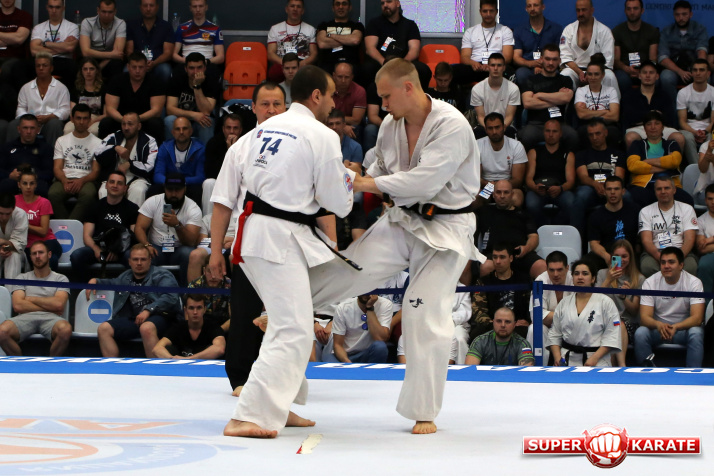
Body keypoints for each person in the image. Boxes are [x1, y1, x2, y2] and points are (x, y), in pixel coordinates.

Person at [305, 59, 481, 435]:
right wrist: (354, 176)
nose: (382, 104)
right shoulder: (390, 124)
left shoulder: (451, 125)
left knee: (422, 310)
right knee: (346, 268)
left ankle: (424, 411)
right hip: (403, 220)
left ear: (408, 88)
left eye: (386, 96)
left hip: (446, 230)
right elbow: (383, 172)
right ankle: (290, 306)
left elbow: (422, 182)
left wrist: (362, 183)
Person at [213, 65, 353, 437]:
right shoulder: (322, 135)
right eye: (330, 95)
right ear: (317, 95)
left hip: (257, 234)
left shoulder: (260, 131)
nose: (334, 103)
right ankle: (247, 415)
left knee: (288, 324)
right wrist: (348, 179)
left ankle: (278, 404)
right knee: (293, 328)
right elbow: (337, 203)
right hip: (277, 238)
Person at [209, 82, 287, 397]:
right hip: (250, 242)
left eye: (277, 104)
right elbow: (222, 203)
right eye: (265, 104)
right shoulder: (241, 148)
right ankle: (241, 377)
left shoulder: (302, 145)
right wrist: (215, 251)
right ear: (253, 108)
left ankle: (284, 378)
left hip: (289, 241)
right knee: (245, 313)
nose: (271, 110)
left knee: (287, 314)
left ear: (286, 107)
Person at [91, 243, 182, 358]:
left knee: (146, 328)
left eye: (143, 259)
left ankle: (155, 368)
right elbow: (111, 282)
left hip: (163, 317)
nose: (139, 263)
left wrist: (148, 310)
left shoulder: (162, 275)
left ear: (150, 260)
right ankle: (113, 366)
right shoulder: (125, 276)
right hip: (136, 320)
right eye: (135, 259)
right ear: (129, 261)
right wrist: (96, 281)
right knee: (104, 329)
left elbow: (171, 296)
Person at [634, 246, 705, 367]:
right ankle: (648, 373)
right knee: (640, 333)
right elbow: (644, 318)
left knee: (696, 333)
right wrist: (658, 325)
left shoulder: (694, 282)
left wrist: (676, 327)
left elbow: (697, 318)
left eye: (671, 262)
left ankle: (692, 375)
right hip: (659, 330)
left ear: (681, 265)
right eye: (663, 262)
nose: (666, 266)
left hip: (683, 330)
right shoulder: (650, 282)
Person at [0, 241, 71, 356]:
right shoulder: (22, 278)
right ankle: (20, 364)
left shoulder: (61, 279)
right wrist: (50, 306)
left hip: (51, 318)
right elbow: (18, 306)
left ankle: (51, 364)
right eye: (34, 253)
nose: (37, 256)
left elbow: (58, 305)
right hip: (25, 317)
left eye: (41, 252)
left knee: (65, 330)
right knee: (2, 331)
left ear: (49, 254)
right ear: (31, 257)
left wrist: (30, 299)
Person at [549, 259, 622, 367]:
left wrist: (594, 358)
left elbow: (612, 335)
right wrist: (557, 357)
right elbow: (555, 333)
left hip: (597, 360)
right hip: (567, 360)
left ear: (593, 278)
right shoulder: (564, 303)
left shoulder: (606, 303)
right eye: (576, 273)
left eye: (585, 273)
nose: (580, 277)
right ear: (572, 278)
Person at [135, 173, 202, 286]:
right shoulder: (153, 201)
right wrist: (147, 245)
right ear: (164, 188)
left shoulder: (193, 208)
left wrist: (177, 225)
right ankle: (147, 293)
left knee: (188, 253)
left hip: (179, 249)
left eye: (178, 190)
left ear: (184, 189)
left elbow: (191, 241)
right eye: (170, 190)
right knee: (143, 254)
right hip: (156, 248)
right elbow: (139, 228)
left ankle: (187, 293)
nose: (174, 194)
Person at [69, 171, 139, 276]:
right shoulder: (94, 206)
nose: (115, 185)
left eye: (119, 183)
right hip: (100, 252)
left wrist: (118, 251)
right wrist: (96, 250)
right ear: (106, 185)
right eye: (112, 182)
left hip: (122, 253)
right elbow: (87, 236)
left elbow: (135, 236)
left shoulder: (132, 208)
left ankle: (128, 285)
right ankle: (88, 284)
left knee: (134, 257)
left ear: (125, 188)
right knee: (77, 256)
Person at [476, 180, 545, 280]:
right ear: (493, 194)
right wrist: (489, 187)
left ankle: (538, 292)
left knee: (541, 266)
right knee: (486, 266)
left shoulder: (523, 214)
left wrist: (526, 248)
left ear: (512, 194)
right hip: (495, 255)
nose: (502, 196)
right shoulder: (484, 211)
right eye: (498, 192)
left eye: (506, 192)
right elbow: (475, 202)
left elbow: (533, 236)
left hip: (520, 254)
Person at [518, 43, 578, 151]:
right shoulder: (530, 80)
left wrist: (539, 95)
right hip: (536, 124)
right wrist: (557, 99)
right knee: (525, 137)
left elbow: (566, 98)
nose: (551, 63)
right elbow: (527, 103)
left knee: (573, 136)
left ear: (559, 61)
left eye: (554, 59)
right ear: (541, 59)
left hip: (559, 124)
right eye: (547, 59)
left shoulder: (565, 80)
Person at [627, 110, 692, 208]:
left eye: (657, 123)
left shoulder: (672, 144)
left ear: (662, 127)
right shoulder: (637, 145)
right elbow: (633, 166)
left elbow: (674, 161)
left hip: (669, 185)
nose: (653, 127)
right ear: (644, 128)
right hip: (644, 185)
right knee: (635, 199)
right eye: (649, 124)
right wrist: (666, 166)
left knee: (687, 200)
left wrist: (647, 162)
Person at [48, 104, 102, 221]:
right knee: (53, 194)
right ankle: (68, 225)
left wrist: (81, 181)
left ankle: (69, 226)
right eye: (78, 118)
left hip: (86, 179)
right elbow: (57, 167)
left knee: (88, 195)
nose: (81, 122)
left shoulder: (98, 142)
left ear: (90, 120)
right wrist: (64, 180)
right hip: (65, 178)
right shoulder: (61, 140)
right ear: (72, 119)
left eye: (85, 118)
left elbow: (96, 171)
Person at [361, 0, 431, 89]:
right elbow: (370, 48)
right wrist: (385, 64)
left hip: (404, 62)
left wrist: (401, 64)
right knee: (366, 69)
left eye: (389, 2)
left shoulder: (410, 25)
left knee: (423, 70)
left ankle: (419, 97)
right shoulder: (374, 23)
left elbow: (414, 50)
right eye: (382, 3)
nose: (385, 5)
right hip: (381, 63)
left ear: (398, 3)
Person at [470, 243, 532, 340]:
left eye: (502, 257)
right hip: (491, 326)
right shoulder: (483, 282)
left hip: (517, 326)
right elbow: (478, 309)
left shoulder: (524, 280)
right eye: (495, 257)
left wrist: (528, 321)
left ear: (511, 258)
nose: (498, 261)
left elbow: (532, 305)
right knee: (476, 333)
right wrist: (494, 324)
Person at [638, 176, 698, 277]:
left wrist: (677, 258)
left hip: (680, 250)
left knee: (690, 267)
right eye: (659, 189)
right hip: (655, 252)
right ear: (655, 192)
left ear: (674, 190)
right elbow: (646, 240)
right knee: (647, 266)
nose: (663, 191)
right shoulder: (645, 211)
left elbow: (690, 239)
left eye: (667, 188)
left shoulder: (687, 209)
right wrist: (661, 258)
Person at [596, 239, 644, 367]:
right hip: (604, 321)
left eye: (624, 256)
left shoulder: (638, 278)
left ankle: (621, 366)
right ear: (611, 257)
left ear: (630, 257)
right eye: (617, 256)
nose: (621, 260)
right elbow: (594, 302)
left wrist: (624, 298)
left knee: (618, 325)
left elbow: (634, 311)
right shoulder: (602, 274)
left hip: (628, 323)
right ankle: (619, 368)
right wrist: (608, 280)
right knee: (613, 326)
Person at [94, 111, 158, 206]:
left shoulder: (149, 141)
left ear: (139, 126)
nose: (126, 127)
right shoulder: (113, 137)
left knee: (138, 190)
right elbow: (98, 153)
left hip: (137, 178)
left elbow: (149, 167)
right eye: (123, 124)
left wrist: (130, 164)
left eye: (130, 124)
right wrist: (115, 148)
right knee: (104, 190)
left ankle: (134, 216)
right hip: (115, 176)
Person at [8, 53, 70, 149]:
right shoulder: (26, 88)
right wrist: (30, 120)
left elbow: (65, 110)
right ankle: (14, 154)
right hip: (29, 122)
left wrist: (50, 117)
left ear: (51, 68)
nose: (41, 68)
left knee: (55, 123)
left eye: (44, 65)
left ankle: (52, 155)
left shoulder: (61, 88)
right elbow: (20, 108)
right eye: (38, 66)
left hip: (50, 123)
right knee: (14, 124)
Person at [99, 52, 165, 142]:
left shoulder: (156, 82)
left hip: (144, 120)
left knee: (156, 124)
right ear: (128, 67)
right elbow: (110, 108)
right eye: (134, 67)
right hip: (121, 119)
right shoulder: (117, 80)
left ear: (146, 67)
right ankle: (104, 149)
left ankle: (157, 151)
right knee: (106, 123)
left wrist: (136, 120)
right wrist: (124, 120)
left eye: (141, 67)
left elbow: (156, 110)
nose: (137, 71)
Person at [559, 0, 619, 96]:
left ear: (592, 10)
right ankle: (563, 105)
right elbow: (565, 57)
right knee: (565, 75)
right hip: (575, 70)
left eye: (584, 10)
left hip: (597, 70)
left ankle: (613, 103)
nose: (580, 13)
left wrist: (591, 74)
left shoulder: (604, 31)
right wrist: (580, 72)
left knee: (609, 76)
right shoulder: (568, 30)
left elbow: (607, 61)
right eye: (578, 10)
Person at [621, 61, 683, 152]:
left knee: (679, 138)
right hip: (638, 129)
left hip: (661, 128)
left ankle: (673, 162)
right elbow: (629, 117)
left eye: (651, 73)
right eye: (644, 72)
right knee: (630, 138)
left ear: (657, 76)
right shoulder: (629, 95)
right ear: (639, 75)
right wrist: (654, 114)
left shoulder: (664, 95)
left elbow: (670, 117)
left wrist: (644, 117)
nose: (647, 75)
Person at [524, 118, 576, 227]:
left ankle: (556, 226)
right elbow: (528, 178)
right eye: (548, 131)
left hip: (560, 190)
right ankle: (543, 228)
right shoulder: (534, 152)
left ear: (560, 134)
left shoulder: (568, 154)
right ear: (543, 132)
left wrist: (560, 188)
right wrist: (535, 187)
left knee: (571, 202)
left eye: (554, 131)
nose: (550, 134)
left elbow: (571, 181)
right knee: (531, 204)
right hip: (538, 190)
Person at [574, 119, 627, 219]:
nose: (594, 137)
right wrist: (595, 184)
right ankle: (576, 229)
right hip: (590, 187)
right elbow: (583, 177)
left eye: (598, 133)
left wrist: (607, 187)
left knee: (627, 196)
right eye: (591, 135)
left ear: (605, 133)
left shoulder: (618, 154)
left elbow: (619, 176)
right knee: (581, 195)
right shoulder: (582, 155)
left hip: (612, 186)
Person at [658, 0, 709, 104]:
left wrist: (697, 70)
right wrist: (680, 71)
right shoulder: (666, 31)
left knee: (705, 76)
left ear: (691, 14)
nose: (681, 18)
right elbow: (663, 58)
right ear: (674, 15)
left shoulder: (700, 29)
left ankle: (700, 109)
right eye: (677, 15)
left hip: (694, 67)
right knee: (666, 77)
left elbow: (702, 51)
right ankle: (673, 110)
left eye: (684, 14)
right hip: (674, 69)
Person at [454, 0, 514, 85]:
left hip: (496, 66)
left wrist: (491, 65)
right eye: (485, 11)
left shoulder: (505, 31)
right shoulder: (470, 32)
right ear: (480, 12)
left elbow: (507, 57)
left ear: (496, 12)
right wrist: (473, 63)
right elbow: (464, 57)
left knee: (510, 72)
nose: (488, 14)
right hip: (475, 66)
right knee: (454, 71)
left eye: (491, 11)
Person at [149, 117, 206, 206]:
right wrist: (171, 182)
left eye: (185, 128)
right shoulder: (164, 147)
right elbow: (157, 175)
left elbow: (200, 177)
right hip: (168, 183)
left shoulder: (200, 149)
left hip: (188, 185)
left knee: (197, 190)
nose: (181, 132)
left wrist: (180, 182)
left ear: (191, 131)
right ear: (173, 132)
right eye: (177, 129)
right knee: (153, 190)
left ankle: (195, 215)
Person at [586, 176, 640, 270]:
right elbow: (594, 243)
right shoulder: (596, 215)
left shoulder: (635, 210)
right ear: (604, 191)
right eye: (609, 189)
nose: (612, 192)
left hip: (629, 254)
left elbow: (640, 239)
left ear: (623, 191)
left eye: (616, 189)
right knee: (586, 263)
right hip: (607, 254)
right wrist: (606, 256)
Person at [165, 52, 218, 145]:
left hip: (201, 120)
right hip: (182, 118)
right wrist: (193, 115)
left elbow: (206, 111)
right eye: (191, 68)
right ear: (186, 69)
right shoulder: (177, 79)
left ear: (205, 68)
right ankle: (171, 152)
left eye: (199, 67)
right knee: (169, 120)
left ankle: (205, 153)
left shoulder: (211, 81)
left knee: (207, 121)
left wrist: (197, 86)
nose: (195, 72)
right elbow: (170, 109)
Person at [14, 169, 62, 271]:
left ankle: (52, 281)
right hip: (25, 244)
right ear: (19, 185)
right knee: (44, 258)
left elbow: (43, 231)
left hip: (47, 241)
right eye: (25, 183)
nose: (28, 187)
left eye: (31, 183)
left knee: (50, 259)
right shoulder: (13, 201)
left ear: (36, 185)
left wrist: (24, 224)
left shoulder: (44, 202)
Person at [152, 294, 226, 359]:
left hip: (206, 368)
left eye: (199, 308)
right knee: (168, 349)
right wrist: (172, 359)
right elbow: (157, 348)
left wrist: (189, 359)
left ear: (204, 309)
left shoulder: (213, 326)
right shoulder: (178, 327)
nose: (195, 312)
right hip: (181, 368)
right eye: (191, 308)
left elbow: (219, 349)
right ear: (185, 310)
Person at [324, 294, 392, 363]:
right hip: (345, 355)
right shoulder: (343, 307)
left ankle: (373, 370)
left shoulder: (385, 304)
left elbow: (381, 338)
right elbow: (338, 345)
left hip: (368, 353)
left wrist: (370, 308)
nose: (366, 293)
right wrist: (347, 363)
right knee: (330, 364)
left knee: (380, 347)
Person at [477, 113, 527, 207]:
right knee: (477, 198)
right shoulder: (477, 146)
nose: (494, 132)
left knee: (516, 198)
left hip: (508, 188)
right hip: (488, 187)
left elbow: (518, 180)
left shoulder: (516, 146)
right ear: (486, 130)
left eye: (497, 127)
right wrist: (490, 186)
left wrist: (500, 186)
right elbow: (476, 177)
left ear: (504, 127)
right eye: (490, 128)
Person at [532, 250, 573, 364]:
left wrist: (552, 317)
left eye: (559, 270)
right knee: (533, 329)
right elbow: (536, 315)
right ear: (546, 269)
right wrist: (566, 316)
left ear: (567, 268)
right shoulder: (540, 281)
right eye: (551, 270)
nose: (555, 274)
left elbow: (578, 314)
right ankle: (537, 367)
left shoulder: (574, 279)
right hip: (549, 327)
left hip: (571, 327)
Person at [512, 0, 563, 89]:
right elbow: (516, 57)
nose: (532, 8)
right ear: (526, 9)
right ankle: (528, 96)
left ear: (543, 7)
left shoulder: (555, 29)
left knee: (556, 75)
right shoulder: (519, 31)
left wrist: (544, 66)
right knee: (521, 74)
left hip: (549, 65)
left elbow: (558, 55)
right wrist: (532, 64)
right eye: (529, 6)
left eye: (535, 5)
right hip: (528, 67)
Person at [612, 0, 659, 92]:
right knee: (622, 80)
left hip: (645, 69)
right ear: (625, 11)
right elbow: (616, 60)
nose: (632, 12)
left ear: (642, 10)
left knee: (655, 80)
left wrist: (643, 71)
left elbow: (653, 58)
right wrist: (627, 69)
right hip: (624, 70)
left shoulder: (652, 31)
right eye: (629, 9)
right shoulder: (617, 31)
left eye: (635, 8)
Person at [0, 115, 53, 197]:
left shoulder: (46, 148)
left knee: (41, 188)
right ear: (19, 129)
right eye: (25, 128)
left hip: (36, 180)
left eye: (32, 128)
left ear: (38, 130)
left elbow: (50, 172)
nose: (28, 131)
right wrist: (9, 175)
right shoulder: (7, 147)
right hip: (13, 180)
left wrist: (34, 177)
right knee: (5, 186)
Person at [30, 0, 79, 88]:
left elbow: (70, 47)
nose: (54, 10)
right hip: (42, 60)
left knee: (73, 67)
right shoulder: (38, 28)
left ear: (63, 8)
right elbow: (34, 50)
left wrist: (45, 44)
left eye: (57, 7)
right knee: (20, 67)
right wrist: (62, 47)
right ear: (47, 8)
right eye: (51, 7)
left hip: (64, 61)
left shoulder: (72, 27)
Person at [470, 53, 521, 139]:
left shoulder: (513, 89)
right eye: (493, 65)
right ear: (488, 67)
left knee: (510, 133)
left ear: (504, 68)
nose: (496, 68)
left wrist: (500, 128)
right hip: (485, 126)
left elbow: (509, 116)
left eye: (499, 65)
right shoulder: (477, 89)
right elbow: (480, 116)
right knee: (476, 133)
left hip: (505, 126)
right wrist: (490, 129)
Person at [574, 60, 621, 149]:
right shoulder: (581, 91)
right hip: (587, 124)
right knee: (582, 131)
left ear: (602, 75)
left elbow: (615, 116)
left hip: (606, 125)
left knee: (613, 131)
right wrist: (605, 111)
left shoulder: (611, 90)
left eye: (596, 74)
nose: (593, 77)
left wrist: (589, 112)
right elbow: (581, 114)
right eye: (590, 74)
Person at [126, 0, 174, 85]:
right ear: (140, 7)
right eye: (145, 6)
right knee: (126, 70)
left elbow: (168, 53)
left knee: (165, 70)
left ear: (157, 7)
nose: (148, 9)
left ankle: (162, 93)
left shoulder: (166, 26)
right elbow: (129, 51)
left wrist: (154, 63)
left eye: (151, 5)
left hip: (158, 63)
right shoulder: (131, 25)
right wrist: (140, 64)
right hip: (137, 63)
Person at [676, 59, 714, 166]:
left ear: (708, 73)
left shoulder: (713, 92)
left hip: (708, 130)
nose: (698, 73)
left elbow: (713, 122)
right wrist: (695, 132)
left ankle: (708, 168)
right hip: (688, 130)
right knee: (687, 137)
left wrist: (705, 132)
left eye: (701, 70)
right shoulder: (683, 93)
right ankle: (698, 168)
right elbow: (682, 122)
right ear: (691, 73)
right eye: (695, 70)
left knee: (711, 137)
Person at [465, 307, 535, 366]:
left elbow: (526, 373)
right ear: (493, 323)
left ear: (514, 325)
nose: (503, 325)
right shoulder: (480, 341)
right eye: (499, 321)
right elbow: (470, 371)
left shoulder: (523, 345)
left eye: (507, 322)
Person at [266, 0, 317, 81]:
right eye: (292, 6)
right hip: (282, 62)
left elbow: (314, 54)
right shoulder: (275, 29)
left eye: (298, 7)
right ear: (287, 9)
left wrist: (299, 64)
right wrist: (286, 64)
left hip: (302, 63)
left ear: (302, 11)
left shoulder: (310, 29)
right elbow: (270, 54)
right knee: (274, 73)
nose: (295, 9)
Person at [203, 114, 243, 214]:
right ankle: (208, 218)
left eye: (235, 128)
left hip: (240, 182)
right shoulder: (213, 143)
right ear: (223, 129)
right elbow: (210, 172)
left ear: (240, 130)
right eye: (228, 128)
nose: (232, 131)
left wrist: (234, 151)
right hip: (219, 181)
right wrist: (229, 152)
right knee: (208, 183)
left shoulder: (246, 143)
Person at [173, 0, 224, 77]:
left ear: (206, 7)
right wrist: (188, 62)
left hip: (207, 64)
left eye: (201, 6)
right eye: (195, 6)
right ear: (190, 8)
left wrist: (204, 62)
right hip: (187, 64)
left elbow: (221, 57)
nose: (198, 9)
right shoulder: (182, 28)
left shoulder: (215, 29)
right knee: (178, 72)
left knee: (213, 72)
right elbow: (174, 55)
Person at [79, 0, 126, 80]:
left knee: (117, 63)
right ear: (98, 10)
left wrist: (98, 68)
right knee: (82, 62)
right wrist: (111, 54)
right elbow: (85, 52)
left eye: (110, 12)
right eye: (104, 11)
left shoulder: (120, 23)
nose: (106, 15)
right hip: (92, 57)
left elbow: (118, 54)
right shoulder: (87, 22)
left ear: (115, 12)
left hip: (109, 60)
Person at [315, 0, 364, 72]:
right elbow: (322, 44)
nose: (341, 7)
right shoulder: (324, 25)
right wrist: (347, 41)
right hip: (328, 65)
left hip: (351, 65)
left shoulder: (357, 26)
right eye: (337, 4)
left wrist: (330, 35)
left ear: (350, 7)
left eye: (344, 4)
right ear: (333, 8)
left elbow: (355, 40)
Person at [188, 254, 231, 332]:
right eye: (209, 271)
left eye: (218, 271)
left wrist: (217, 332)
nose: (213, 276)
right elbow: (189, 315)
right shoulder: (195, 286)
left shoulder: (231, 286)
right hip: (200, 327)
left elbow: (234, 318)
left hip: (224, 327)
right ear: (204, 270)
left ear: (223, 271)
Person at [64, 58, 106, 136]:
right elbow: (72, 110)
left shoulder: (103, 89)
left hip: (96, 118)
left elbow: (106, 114)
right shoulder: (76, 88)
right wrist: (79, 120)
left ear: (97, 71)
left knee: (94, 131)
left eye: (91, 69)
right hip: (79, 117)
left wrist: (93, 121)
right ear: (81, 71)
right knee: (68, 129)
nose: (88, 72)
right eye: (85, 69)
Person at [332, 62, 366, 139]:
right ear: (334, 76)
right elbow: (323, 116)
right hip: (330, 124)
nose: (343, 80)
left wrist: (339, 124)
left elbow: (356, 120)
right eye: (340, 77)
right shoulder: (326, 90)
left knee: (354, 129)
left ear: (352, 77)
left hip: (351, 126)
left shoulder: (359, 91)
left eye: (346, 77)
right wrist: (341, 126)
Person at [0, 193, 28, 279]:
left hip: (15, 251)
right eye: (1, 213)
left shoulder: (20, 215)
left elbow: (20, 244)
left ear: (13, 208)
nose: (4, 217)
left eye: (7, 214)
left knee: (13, 256)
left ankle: (11, 287)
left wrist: (3, 243)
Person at [695, 184, 714, 294]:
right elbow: (701, 248)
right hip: (710, 256)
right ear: (705, 200)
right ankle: (706, 301)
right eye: (710, 199)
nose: (713, 202)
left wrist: (709, 240)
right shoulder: (700, 220)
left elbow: (705, 244)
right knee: (704, 265)